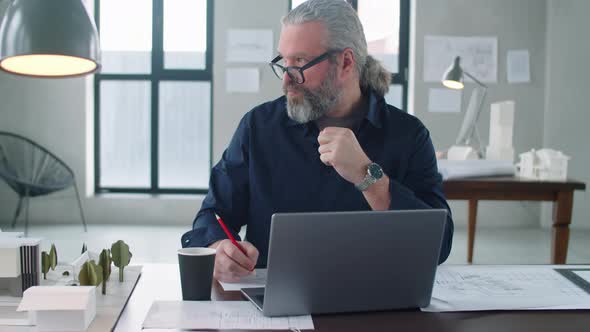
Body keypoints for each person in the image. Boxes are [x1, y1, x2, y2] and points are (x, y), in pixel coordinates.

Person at [181, 0, 453, 283]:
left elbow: (440, 244)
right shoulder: (258, 127)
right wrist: (217, 249)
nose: (286, 80)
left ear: (346, 62)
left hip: (374, 300)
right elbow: (213, 214)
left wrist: (369, 178)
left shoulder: (408, 135)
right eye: (283, 62)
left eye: (299, 62)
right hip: (275, 306)